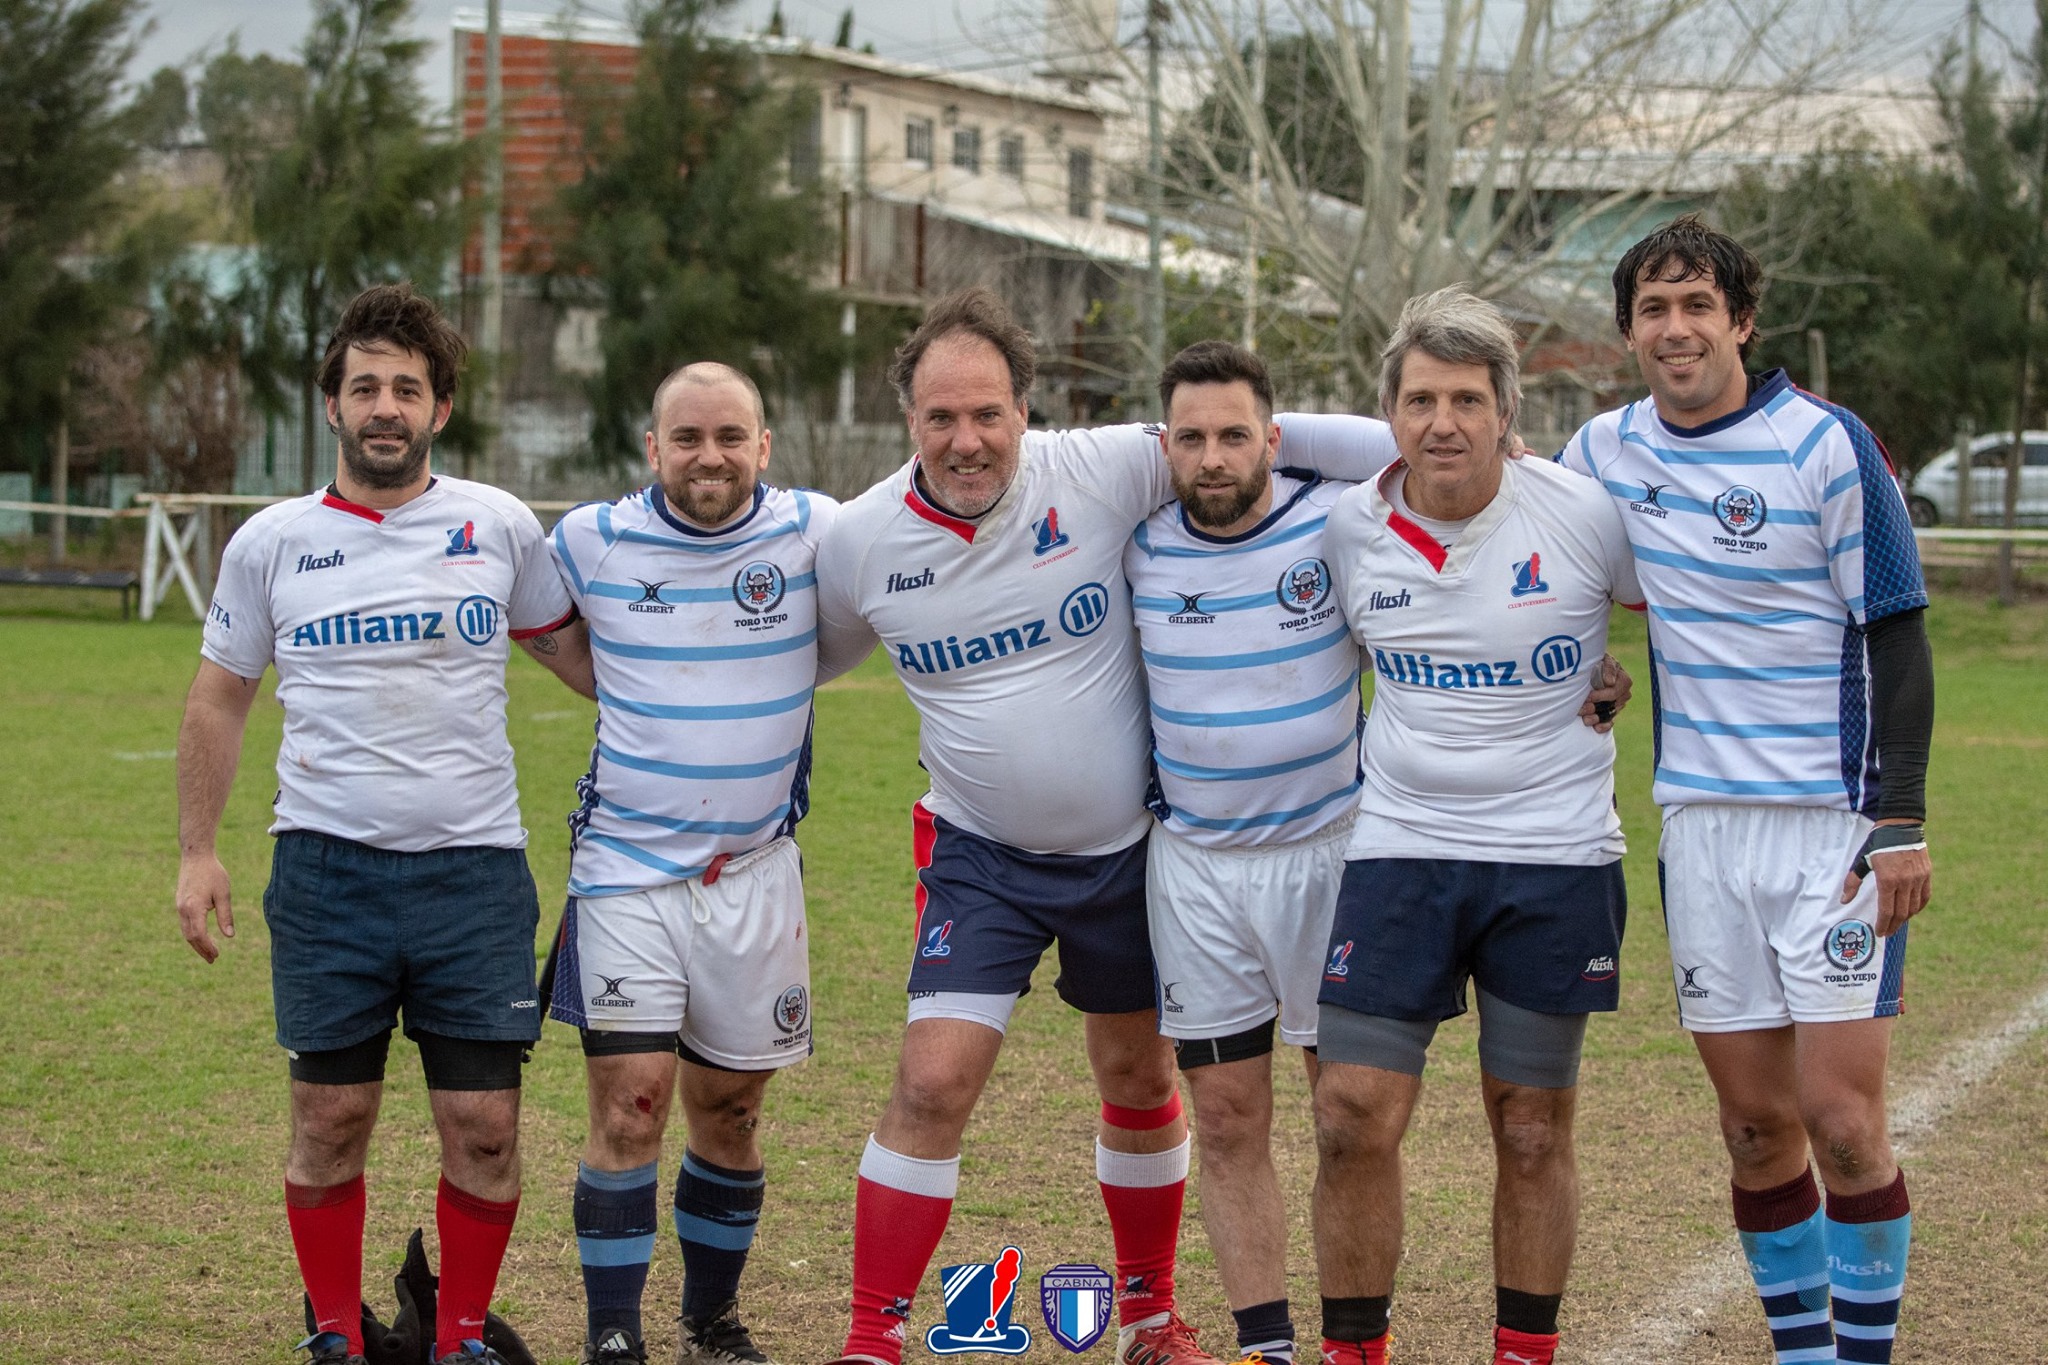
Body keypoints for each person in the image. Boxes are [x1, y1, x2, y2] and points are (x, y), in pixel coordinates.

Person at [811, 289, 1403, 1365]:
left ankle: (1146, 1317)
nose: (965, 440)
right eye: (940, 417)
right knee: (931, 1080)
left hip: (1132, 855)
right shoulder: (856, 543)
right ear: (907, 418)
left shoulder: (1103, 468)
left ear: (1025, 411)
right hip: (977, 857)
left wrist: (1430, 437)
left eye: (986, 413)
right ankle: (870, 1336)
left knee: (1138, 1080)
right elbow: (791, 662)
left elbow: (1325, 445)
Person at [173, 283, 591, 1365]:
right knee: (329, 1121)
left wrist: (713, 680)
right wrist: (197, 850)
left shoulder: (497, 524)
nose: (385, 407)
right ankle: (331, 1337)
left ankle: (458, 1341)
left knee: (485, 1131)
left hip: (474, 878)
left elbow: (577, 660)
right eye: (365, 386)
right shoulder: (272, 542)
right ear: (333, 406)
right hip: (325, 874)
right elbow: (220, 694)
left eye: (407, 387)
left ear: (440, 408)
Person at [1558, 214, 1934, 1365]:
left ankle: (1858, 1357)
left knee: (1841, 1125)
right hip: (1700, 829)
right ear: (1627, 332)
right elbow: (1548, 565)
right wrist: (1594, 659)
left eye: (1695, 305)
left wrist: (1899, 818)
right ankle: (1802, 1353)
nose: (1675, 328)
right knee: (1753, 1125)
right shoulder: (1601, 451)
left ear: (1740, 320)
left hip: (1829, 825)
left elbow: (1896, 631)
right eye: (1652, 309)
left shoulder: (1822, 445)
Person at [1314, 286, 1645, 1365]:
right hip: (1397, 850)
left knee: (1531, 1128)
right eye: (1419, 400)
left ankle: (1522, 1353)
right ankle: (1356, 1350)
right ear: (1390, 415)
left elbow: (1685, 618)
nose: (1440, 423)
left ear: (1506, 412)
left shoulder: (1584, 515)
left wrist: (1617, 678)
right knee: (1350, 1116)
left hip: (1551, 860)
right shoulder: (1346, 528)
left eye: (1464, 399)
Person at [540, 362, 837, 1365]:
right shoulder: (588, 539)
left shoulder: (815, 533)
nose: (707, 455)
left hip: (755, 875)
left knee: (732, 1112)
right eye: (686, 437)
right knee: (631, 1105)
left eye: (729, 436)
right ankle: (612, 1338)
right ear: (651, 449)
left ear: (763, 446)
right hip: (625, 872)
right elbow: (541, 629)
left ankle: (709, 1321)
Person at [1121, 340, 1360, 1365]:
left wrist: (1295, 430)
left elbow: (1427, 444)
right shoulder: (1132, 541)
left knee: (1347, 1114)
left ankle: (1357, 1340)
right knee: (1222, 1117)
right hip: (1196, 871)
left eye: (1234, 435)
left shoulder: (1338, 516)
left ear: (1272, 437)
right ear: (1160, 445)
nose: (1210, 458)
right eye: (1189, 437)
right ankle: (1267, 1346)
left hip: (1333, 856)